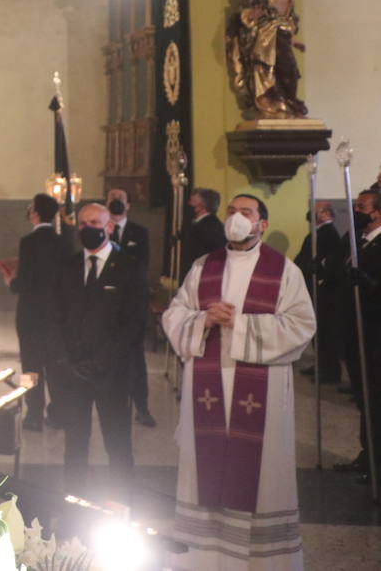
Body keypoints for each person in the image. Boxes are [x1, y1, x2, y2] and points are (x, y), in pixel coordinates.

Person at [163, 194, 315, 570]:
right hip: (208, 388)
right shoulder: (204, 266)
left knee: (261, 474)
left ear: (261, 223)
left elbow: (302, 325)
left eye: (246, 212)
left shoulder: (284, 271)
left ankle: (263, 562)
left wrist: (241, 324)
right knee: (205, 469)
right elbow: (175, 314)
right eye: (231, 212)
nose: (236, 218)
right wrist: (203, 319)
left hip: (259, 392)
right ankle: (204, 558)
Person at [51, 202, 148, 491]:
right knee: (75, 445)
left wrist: (101, 361)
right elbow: (55, 317)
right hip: (73, 372)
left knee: (117, 445)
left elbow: (134, 324)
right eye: (82, 224)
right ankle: (72, 507)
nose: (87, 229)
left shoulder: (131, 267)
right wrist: (66, 359)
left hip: (113, 373)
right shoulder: (67, 266)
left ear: (108, 227)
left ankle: (123, 506)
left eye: (94, 223)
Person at [226, 0, 308, 119]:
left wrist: (293, 39)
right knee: (268, 67)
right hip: (265, 33)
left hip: (283, 30)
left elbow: (290, 14)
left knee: (290, 70)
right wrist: (252, 14)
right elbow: (247, 9)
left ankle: (288, 104)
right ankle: (274, 103)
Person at [10, 193, 66, 430]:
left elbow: (23, 282)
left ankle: (33, 413)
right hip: (56, 315)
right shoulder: (64, 242)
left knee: (30, 365)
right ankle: (59, 412)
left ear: (35, 213)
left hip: (31, 315)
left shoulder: (28, 243)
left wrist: (11, 280)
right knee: (55, 366)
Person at [336, 191, 381, 479]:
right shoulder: (358, 241)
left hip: (376, 333)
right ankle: (368, 454)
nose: (357, 211)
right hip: (355, 331)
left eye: (362, 207)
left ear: (377, 212)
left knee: (375, 400)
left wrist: (370, 285)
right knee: (363, 399)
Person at [108, 188, 156, 427]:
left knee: (136, 360)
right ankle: (112, 407)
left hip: (132, 304)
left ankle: (142, 406)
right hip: (107, 305)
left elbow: (142, 265)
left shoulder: (140, 232)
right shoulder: (100, 230)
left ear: (128, 205)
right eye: (112, 199)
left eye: (120, 199)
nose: (116, 202)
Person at [295, 201, 345, 384]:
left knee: (325, 331)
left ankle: (329, 370)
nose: (311, 213)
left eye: (315, 211)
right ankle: (322, 364)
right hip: (312, 286)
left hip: (323, 290)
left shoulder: (329, 233)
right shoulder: (319, 232)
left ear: (326, 214)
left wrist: (317, 272)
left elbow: (331, 261)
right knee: (318, 330)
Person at [185, 188, 228, 276]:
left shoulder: (211, 227)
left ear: (202, 205)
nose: (189, 204)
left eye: (193, 201)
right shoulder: (200, 224)